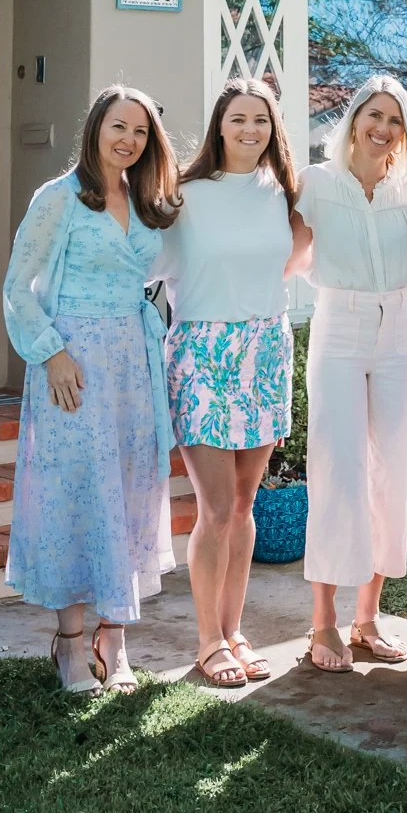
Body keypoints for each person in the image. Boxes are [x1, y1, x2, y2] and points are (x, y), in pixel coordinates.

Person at [2, 84, 179, 694]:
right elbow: (17, 286)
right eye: (118, 128)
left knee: (127, 491)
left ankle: (116, 637)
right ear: (96, 129)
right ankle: (72, 645)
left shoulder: (148, 200)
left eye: (140, 132)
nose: (128, 140)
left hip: (133, 362)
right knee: (76, 493)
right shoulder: (59, 199)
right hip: (73, 365)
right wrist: (52, 355)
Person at [156, 75, 309, 688]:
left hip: (266, 348)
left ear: (275, 131)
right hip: (202, 351)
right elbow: (145, 268)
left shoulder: (285, 195)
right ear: (219, 125)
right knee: (215, 506)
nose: (250, 130)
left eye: (262, 120)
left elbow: (295, 260)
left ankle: (235, 629)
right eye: (239, 119)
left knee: (245, 505)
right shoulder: (183, 195)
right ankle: (207, 640)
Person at [295, 74, 407, 672]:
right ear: (352, 120)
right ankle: (321, 623)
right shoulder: (318, 184)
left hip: (399, 330)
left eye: (395, 120)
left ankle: (367, 619)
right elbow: (291, 257)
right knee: (338, 467)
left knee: (386, 470)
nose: (382, 128)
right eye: (373, 115)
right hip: (339, 329)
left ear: (404, 135)